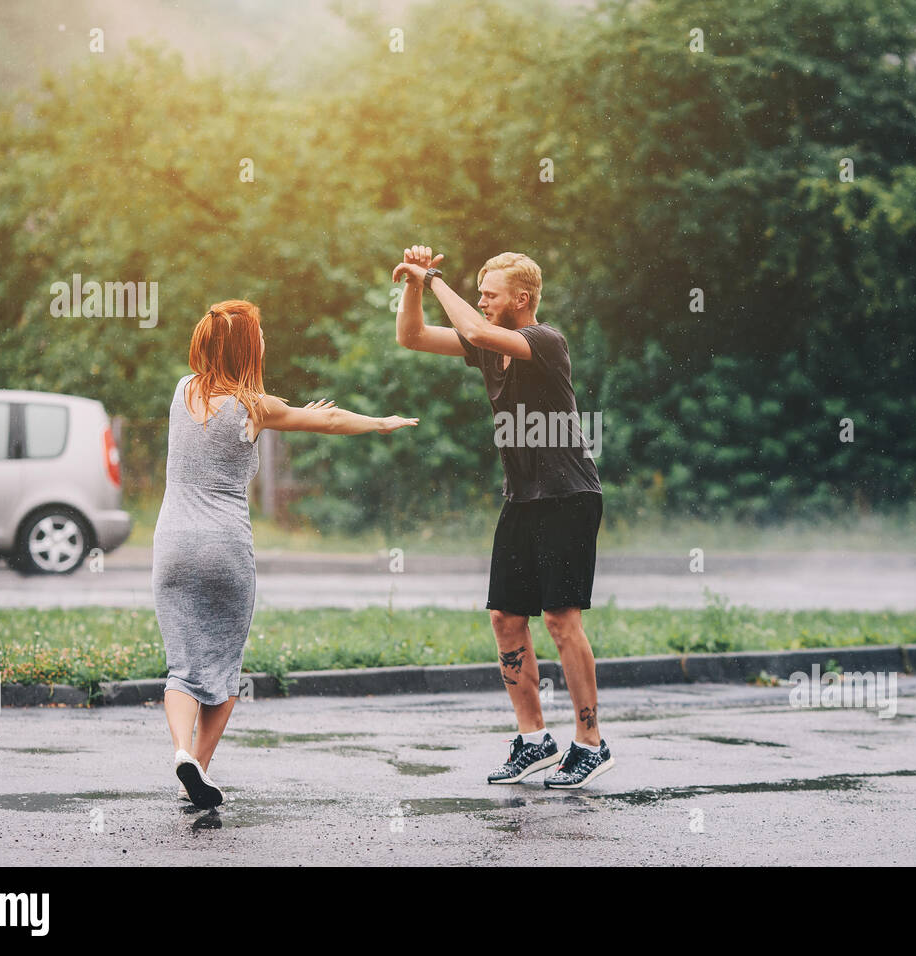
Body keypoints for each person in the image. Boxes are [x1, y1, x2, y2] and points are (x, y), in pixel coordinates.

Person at [153, 300, 417, 808]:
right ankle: (200, 768)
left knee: (182, 669)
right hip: (225, 550)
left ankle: (183, 755)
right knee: (225, 668)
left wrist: (297, 412)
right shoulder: (255, 406)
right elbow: (331, 421)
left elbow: (289, 414)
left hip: (172, 548)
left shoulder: (181, 391)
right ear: (248, 348)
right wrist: (381, 422)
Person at [392, 247, 613, 789]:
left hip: (568, 496)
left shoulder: (545, 341)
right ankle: (534, 739)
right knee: (506, 617)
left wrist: (436, 277)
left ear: (523, 298)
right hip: (523, 498)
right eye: (480, 292)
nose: (483, 300)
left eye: (490, 293)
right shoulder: (489, 349)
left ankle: (591, 742)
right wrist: (415, 287)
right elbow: (413, 337)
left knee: (562, 620)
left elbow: (478, 329)